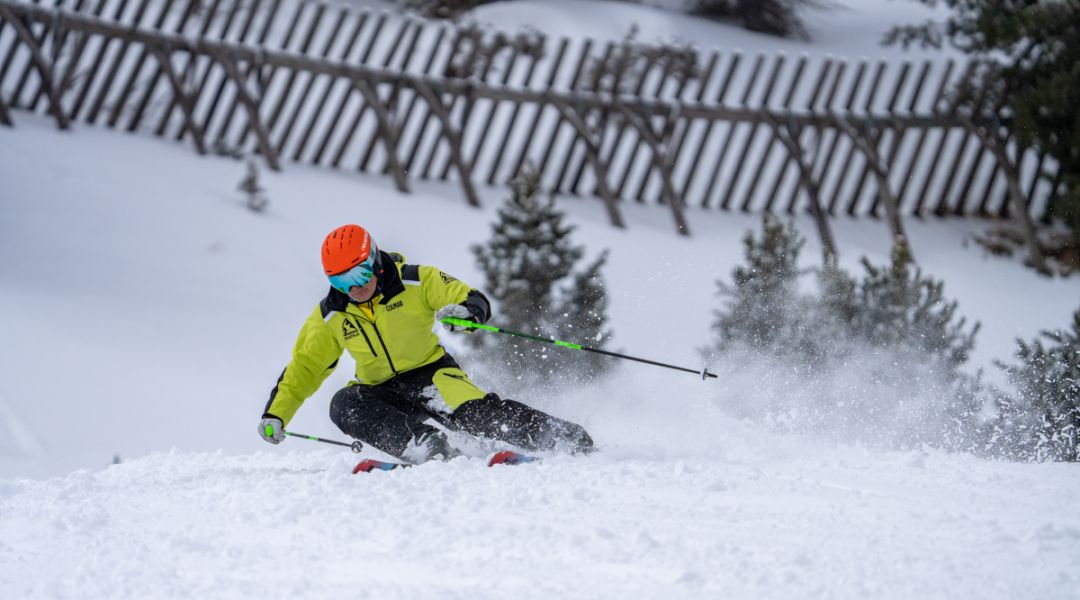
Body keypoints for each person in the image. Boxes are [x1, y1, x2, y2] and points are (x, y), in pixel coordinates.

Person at [258, 224, 593, 463]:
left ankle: (563, 437)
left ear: (374, 259)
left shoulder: (416, 280)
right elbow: (305, 367)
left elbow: (470, 297)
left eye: (359, 274)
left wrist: (466, 312)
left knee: (476, 413)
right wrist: (276, 414)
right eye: (340, 281)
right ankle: (425, 446)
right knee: (344, 404)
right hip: (381, 391)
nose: (354, 288)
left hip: (432, 376)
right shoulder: (331, 315)